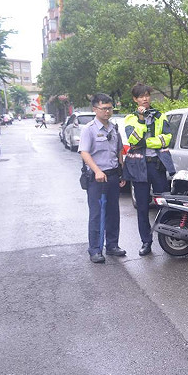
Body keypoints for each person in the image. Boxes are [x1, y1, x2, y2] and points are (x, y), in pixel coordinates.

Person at [122, 83, 176, 256]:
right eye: (141, 96)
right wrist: (141, 120)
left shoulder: (160, 116)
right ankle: (146, 242)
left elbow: (167, 139)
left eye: (147, 95)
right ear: (135, 99)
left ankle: (168, 238)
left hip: (157, 165)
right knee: (143, 207)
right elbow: (133, 140)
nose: (145, 99)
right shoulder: (130, 119)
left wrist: (146, 142)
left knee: (165, 203)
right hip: (139, 167)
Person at [79, 93, 126, 263]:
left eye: (110, 108)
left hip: (112, 175)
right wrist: (97, 171)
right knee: (97, 214)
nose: (107, 112)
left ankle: (112, 245)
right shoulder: (89, 129)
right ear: (95, 109)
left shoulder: (114, 128)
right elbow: (84, 152)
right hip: (97, 178)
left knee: (113, 213)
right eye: (104, 108)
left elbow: (118, 151)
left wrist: (121, 172)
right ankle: (95, 249)